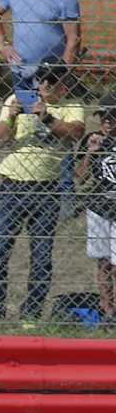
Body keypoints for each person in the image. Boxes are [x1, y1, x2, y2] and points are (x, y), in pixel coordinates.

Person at [0, 63, 85, 326]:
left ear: (66, 84)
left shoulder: (73, 106)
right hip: (13, 186)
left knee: (41, 255)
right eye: (44, 81)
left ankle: (32, 312)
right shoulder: (16, 99)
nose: (49, 86)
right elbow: (0, 140)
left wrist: (47, 117)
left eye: (56, 82)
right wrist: (14, 117)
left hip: (47, 188)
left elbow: (74, 135)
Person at [82, 101, 116, 325]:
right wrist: (90, 153)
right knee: (103, 262)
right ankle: (108, 311)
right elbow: (81, 177)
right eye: (102, 117)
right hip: (99, 209)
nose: (106, 122)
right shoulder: (93, 139)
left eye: (111, 118)